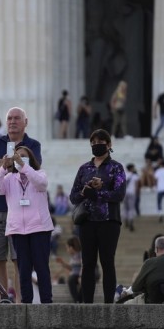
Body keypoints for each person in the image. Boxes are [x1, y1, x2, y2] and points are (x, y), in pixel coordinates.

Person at [0, 106, 42, 303]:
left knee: (20, 259)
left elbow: (33, 167)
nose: (12, 121)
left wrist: (0, 164)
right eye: (9, 118)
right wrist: (9, 163)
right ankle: (3, 301)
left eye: (17, 118)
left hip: (21, 209)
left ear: (25, 122)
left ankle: (23, 301)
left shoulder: (33, 144)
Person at [0, 146, 54, 304]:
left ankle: (47, 301)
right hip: (18, 230)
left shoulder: (39, 174)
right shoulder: (9, 178)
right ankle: (26, 303)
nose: (20, 157)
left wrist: (24, 167)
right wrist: (3, 168)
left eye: (23, 156)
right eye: (17, 155)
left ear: (31, 159)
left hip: (39, 228)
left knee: (41, 267)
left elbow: (42, 184)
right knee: (23, 270)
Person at [69, 129, 126, 303]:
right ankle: (87, 303)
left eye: (100, 142)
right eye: (93, 143)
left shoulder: (116, 167)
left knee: (107, 262)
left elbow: (119, 194)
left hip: (109, 221)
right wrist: (87, 191)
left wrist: (100, 193)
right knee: (87, 264)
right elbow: (73, 196)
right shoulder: (84, 168)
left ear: (109, 145)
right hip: (87, 220)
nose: (96, 145)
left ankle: (109, 303)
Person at [127, 236, 164, 304]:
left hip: (153, 304)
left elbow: (135, 288)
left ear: (156, 249)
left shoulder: (149, 263)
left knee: (126, 304)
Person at [55, 236, 83, 303]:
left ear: (71, 247)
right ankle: (77, 300)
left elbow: (83, 265)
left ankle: (79, 300)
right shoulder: (73, 256)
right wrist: (63, 263)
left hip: (80, 274)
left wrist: (80, 276)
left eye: (67, 248)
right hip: (74, 275)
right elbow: (71, 268)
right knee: (70, 280)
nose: (67, 250)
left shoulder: (80, 254)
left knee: (78, 281)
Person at [123, 163, 140, 231]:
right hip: (132, 193)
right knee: (131, 208)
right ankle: (131, 221)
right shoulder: (135, 175)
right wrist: (137, 193)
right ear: (131, 168)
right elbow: (136, 186)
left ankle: (125, 220)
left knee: (125, 208)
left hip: (125, 193)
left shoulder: (124, 174)